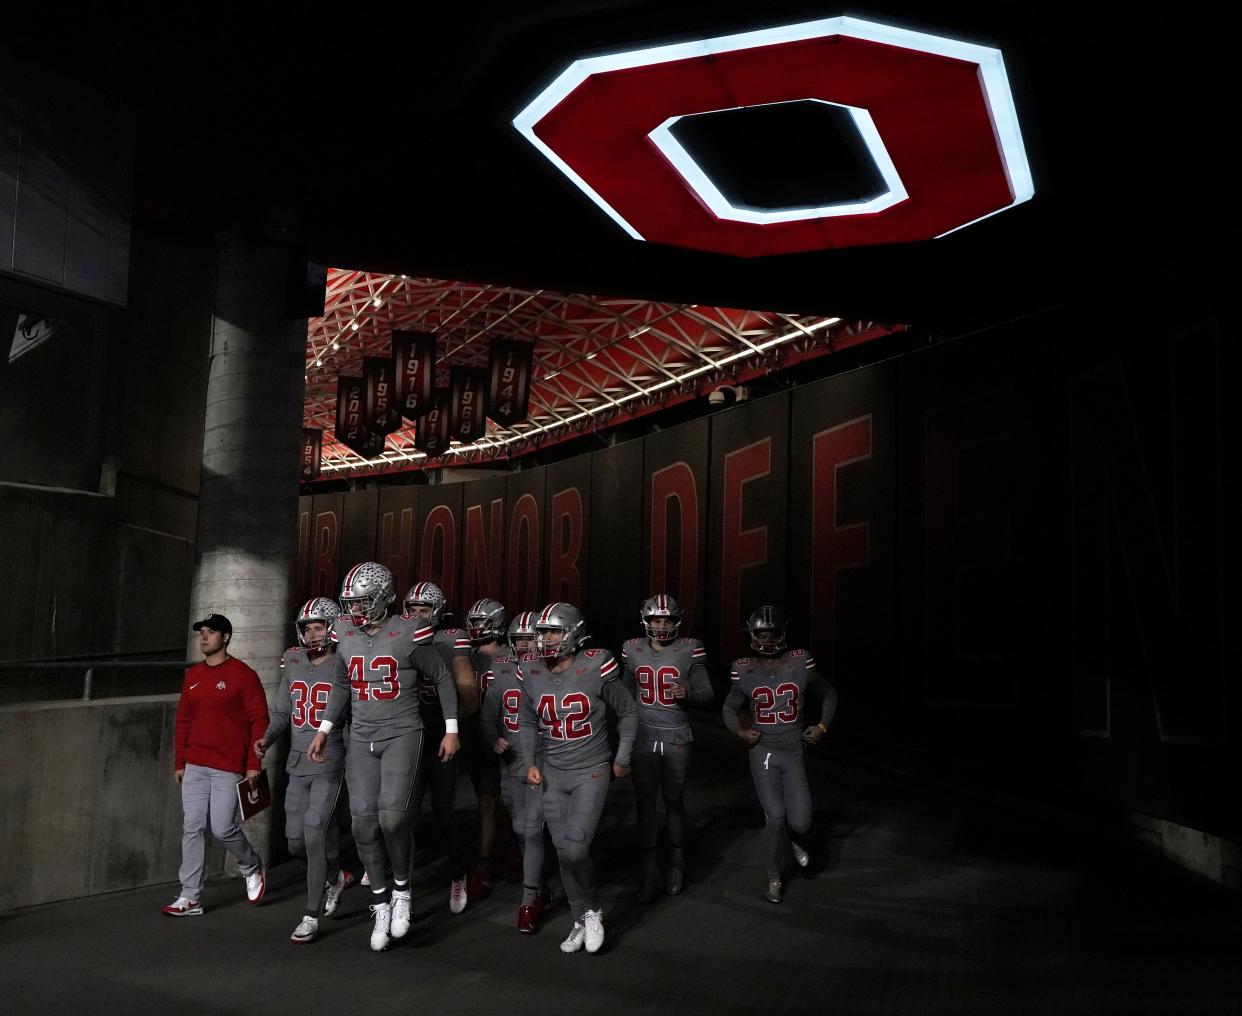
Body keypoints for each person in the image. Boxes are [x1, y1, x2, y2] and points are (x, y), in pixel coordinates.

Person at [306, 563, 459, 952]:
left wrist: (452, 728)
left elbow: (441, 676)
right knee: (362, 825)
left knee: (393, 817)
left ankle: (402, 889)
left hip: (402, 731)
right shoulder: (344, 632)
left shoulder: (408, 631)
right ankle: (379, 901)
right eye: (352, 602)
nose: (356, 609)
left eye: (363, 601)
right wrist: (324, 729)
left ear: (384, 598)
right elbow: (342, 682)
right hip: (360, 736)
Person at [520, 603, 636, 955]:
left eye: (554, 631)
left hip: (591, 768)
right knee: (562, 852)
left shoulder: (596, 664)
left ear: (573, 633)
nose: (546, 639)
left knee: (576, 849)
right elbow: (527, 721)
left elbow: (628, 711)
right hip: (553, 769)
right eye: (542, 632)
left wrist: (623, 756)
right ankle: (578, 918)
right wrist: (529, 762)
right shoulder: (531, 671)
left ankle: (593, 910)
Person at [721, 606, 838, 904]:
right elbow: (729, 708)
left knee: (801, 822)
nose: (768, 638)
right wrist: (740, 731)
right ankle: (773, 877)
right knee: (775, 816)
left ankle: (794, 839)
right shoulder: (744, 668)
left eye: (773, 633)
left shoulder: (799, 662)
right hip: (764, 751)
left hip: (793, 750)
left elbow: (829, 694)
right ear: (752, 635)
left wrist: (822, 726)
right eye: (762, 633)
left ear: (783, 634)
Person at [254, 598, 350, 943]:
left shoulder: (345, 662)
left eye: (319, 627)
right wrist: (267, 737)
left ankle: (310, 915)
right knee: (295, 841)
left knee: (314, 833)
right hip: (297, 763)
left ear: (333, 628)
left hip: (330, 760)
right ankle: (335, 875)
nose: (311, 635)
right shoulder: (293, 661)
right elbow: (282, 711)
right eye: (307, 628)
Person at [164, 613, 269, 917]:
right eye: (202, 632)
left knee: (222, 829)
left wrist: (253, 764)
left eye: (211, 632)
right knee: (192, 828)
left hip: (228, 765)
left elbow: (259, 720)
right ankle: (190, 896)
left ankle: (250, 863)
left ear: (226, 637)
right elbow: (183, 719)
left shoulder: (243, 675)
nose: (204, 637)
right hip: (195, 764)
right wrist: (180, 760)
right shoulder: (193, 675)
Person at [621, 594, 713, 902]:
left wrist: (687, 692)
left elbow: (707, 694)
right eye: (656, 620)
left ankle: (676, 861)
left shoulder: (690, 649)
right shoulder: (632, 649)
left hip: (675, 735)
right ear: (646, 621)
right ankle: (648, 869)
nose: (661, 626)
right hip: (645, 735)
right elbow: (625, 696)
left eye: (667, 620)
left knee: (673, 801)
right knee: (646, 803)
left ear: (677, 621)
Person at [401, 580, 478, 912]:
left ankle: (458, 873)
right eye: (413, 609)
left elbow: (469, 693)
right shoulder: (395, 635)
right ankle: (400, 884)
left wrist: (452, 727)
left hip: (438, 732)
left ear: (438, 612)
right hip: (405, 733)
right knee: (401, 811)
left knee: (444, 811)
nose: (418, 615)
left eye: (425, 609)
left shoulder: (450, 639)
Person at [478, 609, 552, 933]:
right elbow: (487, 715)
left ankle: (529, 898)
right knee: (522, 828)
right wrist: (493, 737)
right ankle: (538, 887)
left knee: (533, 829)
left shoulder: (553, 668)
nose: (523, 645)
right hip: (510, 760)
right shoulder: (502, 668)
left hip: (544, 758)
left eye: (528, 637)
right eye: (518, 639)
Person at [461, 597, 508, 903]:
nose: (478, 628)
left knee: (521, 804)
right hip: (477, 736)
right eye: (474, 623)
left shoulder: (514, 655)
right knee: (486, 800)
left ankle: (505, 856)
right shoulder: (465, 657)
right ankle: (485, 863)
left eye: (484, 623)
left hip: (510, 735)